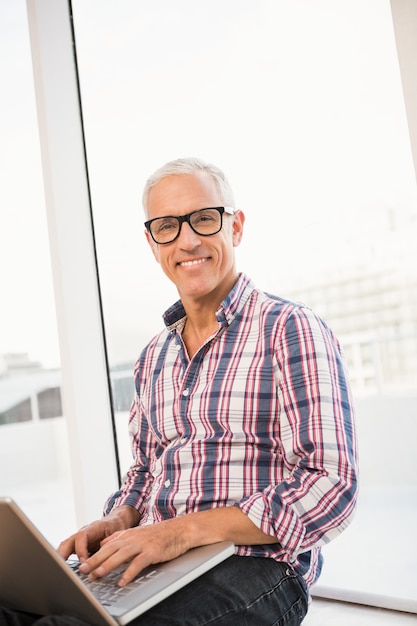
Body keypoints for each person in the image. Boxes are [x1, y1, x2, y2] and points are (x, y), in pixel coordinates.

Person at [1, 157, 358, 625]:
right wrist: (120, 520)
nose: (188, 240)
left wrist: (181, 532)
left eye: (204, 219)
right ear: (152, 243)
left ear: (236, 227)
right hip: (154, 562)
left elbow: (331, 486)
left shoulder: (291, 329)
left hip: (254, 566)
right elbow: (146, 472)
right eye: (167, 226)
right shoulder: (154, 356)